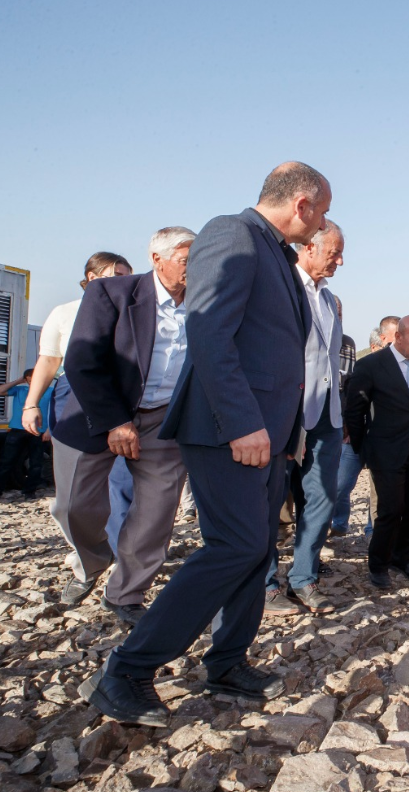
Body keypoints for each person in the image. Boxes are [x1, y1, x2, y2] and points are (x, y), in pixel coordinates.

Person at [80, 162, 330, 727]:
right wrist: (242, 422)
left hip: (266, 436)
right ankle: (127, 670)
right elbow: (210, 327)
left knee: (258, 547)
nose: (321, 227)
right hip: (228, 430)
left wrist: (286, 434)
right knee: (235, 546)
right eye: (323, 212)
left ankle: (227, 661)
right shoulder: (231, 234)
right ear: (304, 203)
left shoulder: (274, 252)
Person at [51, 227, 194, 625]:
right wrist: (116, 421)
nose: (193, 268)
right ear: (157, 259)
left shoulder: (206, 304)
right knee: (74, 506)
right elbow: (82, 360)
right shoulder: (112, 294)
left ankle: (125, 593)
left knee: (156, 514)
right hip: (98, 416)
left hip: (164, 421)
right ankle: (93, 559)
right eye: (185, 259)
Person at [264, 220, 345, 617]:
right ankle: (264, 583)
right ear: (309, 248)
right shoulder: (280, 288)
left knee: (321, 498)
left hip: (325, 415)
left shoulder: (330, 300)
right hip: (284, 413)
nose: (340, 261)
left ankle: (303, 578)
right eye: (334, 253)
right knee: (269, 501)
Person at [344, 315, 409, 588]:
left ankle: (402, 558)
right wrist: (363, 448)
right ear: (399, 337)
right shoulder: (371, 364)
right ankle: (378, 564)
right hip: (385, 451)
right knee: (390, 509)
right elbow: (354, 411)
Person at [22, 253, 134, 437]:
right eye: (117, 277)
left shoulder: (133, 314)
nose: (124, 284)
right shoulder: (65, 312)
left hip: (121, 390)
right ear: (92, 277)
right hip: (74, 390)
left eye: (128, 279)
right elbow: (49, 361)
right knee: (74, 456)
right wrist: (31, 405)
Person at [333, 320, 394, 537]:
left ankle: (372, 532)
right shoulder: (362, 368)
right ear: (374, 347)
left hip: (381, 440)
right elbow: (351, 403)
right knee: (340, 486)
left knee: (377, 490)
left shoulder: (401, 372)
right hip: (355, 438)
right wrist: (349, 429)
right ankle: (338, 524)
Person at [0, 369, 52, 497]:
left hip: (38, 431)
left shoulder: (50, 391)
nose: (31, 382)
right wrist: (18, 381)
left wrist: (48, 430)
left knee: (36, 463)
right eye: (29, 379)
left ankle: (29, 492)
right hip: (17, 430)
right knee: (7, 461)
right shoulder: (20, 390)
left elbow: (55, 411)